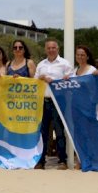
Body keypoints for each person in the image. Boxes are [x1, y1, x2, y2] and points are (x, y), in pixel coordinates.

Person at [34, 39, 73, 170]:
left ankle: (62, 161)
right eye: (48, 48)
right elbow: (34, 81)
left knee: (59, 132)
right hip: (43, 102)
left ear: (58, 49)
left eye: (53, 47)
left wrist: (62, 80)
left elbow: (71, 82)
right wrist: (41, 78)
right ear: (45, 49)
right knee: (43, 133)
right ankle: (41, 161)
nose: (51, 50)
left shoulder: (65, 64)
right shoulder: (40, 65)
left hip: (58, 102)